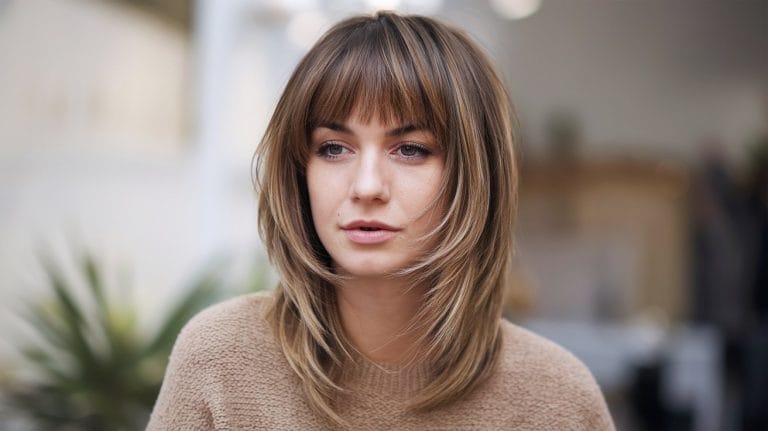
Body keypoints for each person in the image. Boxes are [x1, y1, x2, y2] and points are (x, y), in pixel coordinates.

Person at [147, 11, 615, 430]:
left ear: (475, 174)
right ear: (299, 170)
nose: (367, 185)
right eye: (334, 148)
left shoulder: (555, 398)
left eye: (410, 149)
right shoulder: (221, 359)